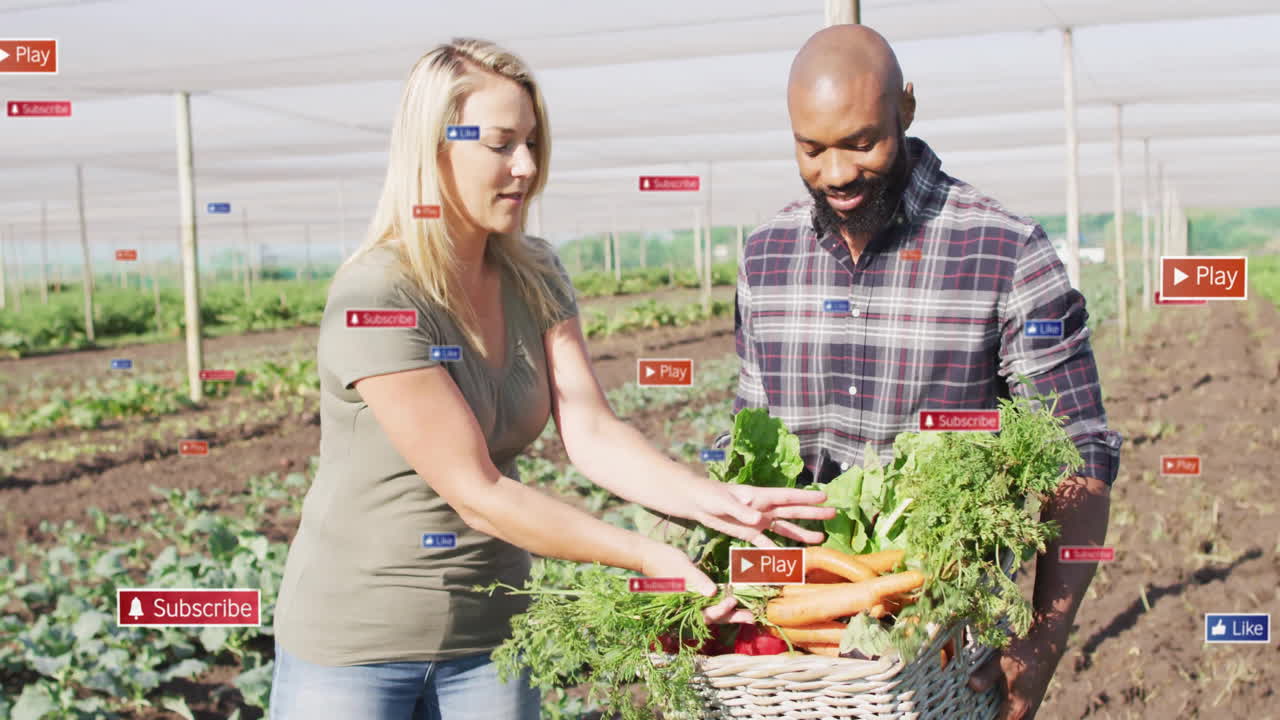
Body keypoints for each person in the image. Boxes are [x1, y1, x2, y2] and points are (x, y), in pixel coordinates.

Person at [268, 37, 835, 720]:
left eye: (532, 143)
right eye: (502, 144)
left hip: (493, 639)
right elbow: (476, 493)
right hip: (356, 644)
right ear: (434, 146)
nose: (527, 167)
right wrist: (644, 554)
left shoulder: (533, 274)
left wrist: (710, 502)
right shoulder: (377, 296)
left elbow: (591, 430)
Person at [717, 24, 1123, 720]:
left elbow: (1077, 455)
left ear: (906, 108)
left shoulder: (1005, 251)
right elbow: (750, 462)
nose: (837, 173)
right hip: (795, 645)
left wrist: (1045, 642)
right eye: (811, 150)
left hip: (945, 648)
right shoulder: (766, 258)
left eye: (861, 142)